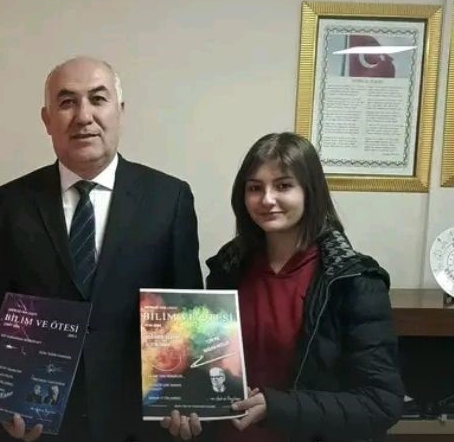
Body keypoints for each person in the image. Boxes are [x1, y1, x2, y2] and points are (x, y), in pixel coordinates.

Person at [0, 56, 203, 441]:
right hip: (37, 421)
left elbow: (187, 312)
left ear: (120, 111)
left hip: (137, 421)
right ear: (47, 119)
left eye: (98, 99)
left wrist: (193, 400)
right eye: (67, 102)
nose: (83, 116)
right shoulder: (11, 202)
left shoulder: (169, 198)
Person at [167, 133, 402, 442]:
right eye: (255, 188)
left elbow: (381, 403)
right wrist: (189, 409)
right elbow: (209, 370)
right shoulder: (226, 269)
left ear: (310, 192)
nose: (267, 199)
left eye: (283, 186)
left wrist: (276, 407)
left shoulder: (354, 280)